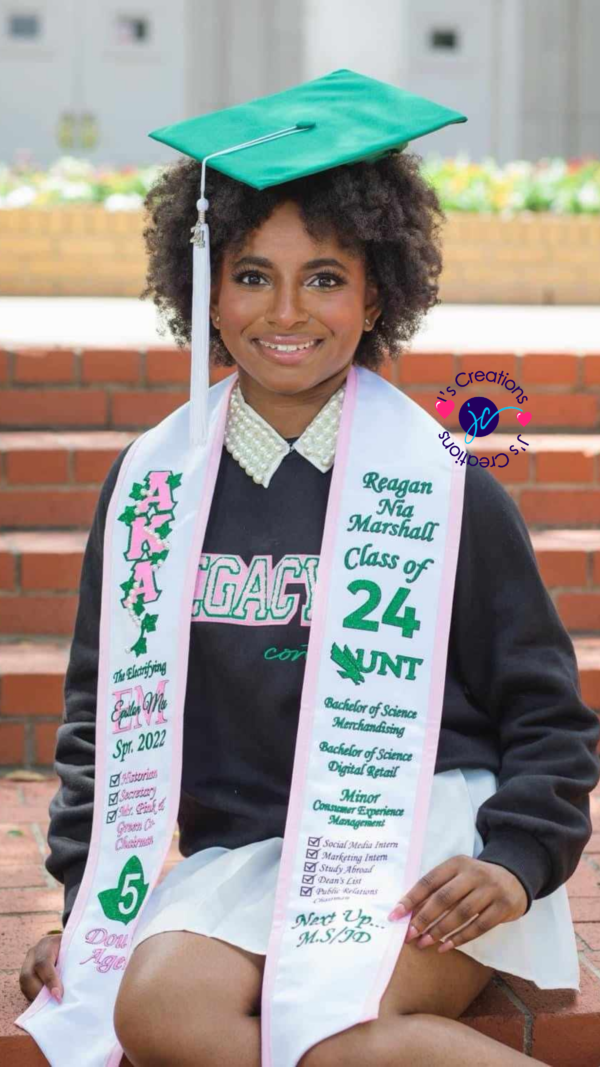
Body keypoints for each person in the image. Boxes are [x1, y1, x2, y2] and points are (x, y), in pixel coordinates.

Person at [18, 75, 600, 1067]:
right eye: (252, 274)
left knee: (319, 1022)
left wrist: (514, 860)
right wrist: (88, 908)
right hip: (248, 855)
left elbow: (546, 712)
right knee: (153, 1011)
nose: (287, 310)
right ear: (205, 286)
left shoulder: (437, 483)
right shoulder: (158, 484)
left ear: (379, 292)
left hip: (423, 840)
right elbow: (103, 714)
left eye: (325, 276)